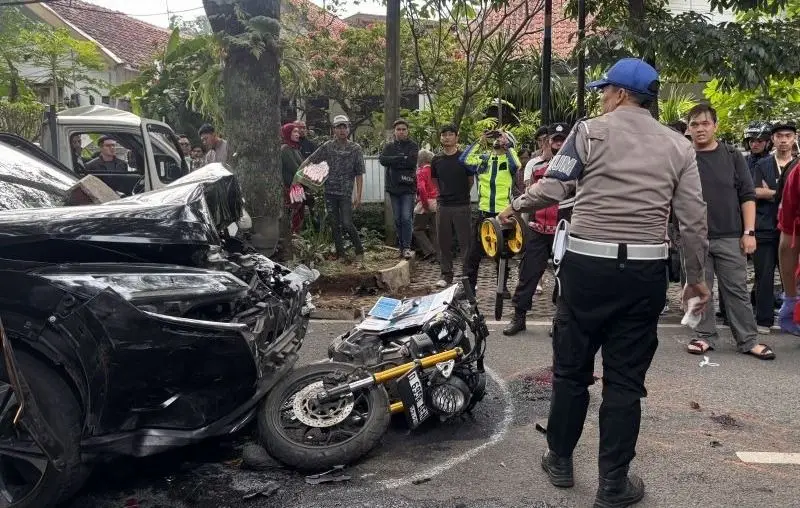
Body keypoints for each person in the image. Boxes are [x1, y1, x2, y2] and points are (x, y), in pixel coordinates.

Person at [498, 58, 710, 507]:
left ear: (618, 93)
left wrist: (515, 205)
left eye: (604, 91)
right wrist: (695, 280)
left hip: (586, 269)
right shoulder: (679, 146)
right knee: (625, 380)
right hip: (644, 273)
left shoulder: (589, 131)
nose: (601, 98)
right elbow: (692, 221)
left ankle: (559, 459)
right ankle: (613, 483)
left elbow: (553, 189)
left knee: (572, 369)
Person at [685, 104, 775, 359]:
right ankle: (704, 337)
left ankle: (748, 340)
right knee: (698, 287)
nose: (700, 129)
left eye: (705, 123)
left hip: (730, 234)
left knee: (736, 289)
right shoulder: (683, 156)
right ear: (689, 129)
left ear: (715, 126)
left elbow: (747, 195)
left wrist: (749, 232)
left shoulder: (732, 155)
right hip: (694, 236)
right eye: (694, 124)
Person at [504, 122, 569, 336]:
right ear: (548, 141)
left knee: (565, 279)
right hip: (538, 228)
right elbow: (531, 194)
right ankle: (519, 317)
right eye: (554, 139)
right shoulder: (535, 165)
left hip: (564, 230)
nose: (558, 143)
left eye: (562, 139)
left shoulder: (577, 166)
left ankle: (559, 320)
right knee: (528, 274)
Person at [461, 129, 520, 295]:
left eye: (502, 137)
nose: (498, 139)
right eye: (497, 137)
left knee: (502, 254)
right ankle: (468, 289)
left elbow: (516, 165)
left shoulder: (509, 161)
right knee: (473, 255)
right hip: (483, 213)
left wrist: (507, 145)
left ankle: (502, 286)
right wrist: (480, 141)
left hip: (503, 215)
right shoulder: (483, 159)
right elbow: (464, 160)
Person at [751, 121, 797, 333]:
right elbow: (755, 191)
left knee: (794, 275)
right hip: (765, 226)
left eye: (788, 136)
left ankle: (794, 317)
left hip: (791, 229)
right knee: (764, 274)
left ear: (794, 138)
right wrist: (781, 193)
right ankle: (764, 319)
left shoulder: (796, 165)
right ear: (773, 140)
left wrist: (772, 192)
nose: (784, 140)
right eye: (780, 136)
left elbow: (769, 192)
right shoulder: (763, 164)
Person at [306, 114, 365, 262]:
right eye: (339, 127)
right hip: (329, 192)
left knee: (347, 223)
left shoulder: (355, 148)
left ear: (348, 129)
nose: (342, 130)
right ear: (334, 130)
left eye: (344, 127)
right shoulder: (328, 146)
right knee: (334, 224)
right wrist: (299, 172)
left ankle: (359, 251)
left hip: (345, 193)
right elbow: (311, 159)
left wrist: (358, 195)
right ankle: (341, 255)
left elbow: (359, 174)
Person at [431, 123, 473, 287]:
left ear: (456, 137)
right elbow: (434, 180)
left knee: (466, 243)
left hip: (462, 205)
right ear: (440, 138)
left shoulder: (464, 158)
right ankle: (446, 274)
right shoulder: (436, 160)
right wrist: (443, 193)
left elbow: (470, 180)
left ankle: (467, 276)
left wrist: (461, 193)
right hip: (444, 206)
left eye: (450, 134)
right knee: (443, 242)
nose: (447, 137)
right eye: (444, 135)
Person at [380, 119, 419, 258]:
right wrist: (401, 158)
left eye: (403, 129)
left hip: (408, 187)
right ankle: (401, 247)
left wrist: (395, 160)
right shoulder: (389, 146)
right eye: (398, 129)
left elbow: (411, 162)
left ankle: (407, 247)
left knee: (406, 217)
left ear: (407, 131)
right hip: (393, 187)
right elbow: (383, 160)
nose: (401, 132)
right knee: (397, 218)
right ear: (394, 131)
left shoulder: (413, 146)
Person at [413, 149, 438, 261]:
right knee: (435, 230)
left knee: (417, 229)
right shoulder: (435, 170)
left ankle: (429, 251)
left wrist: (425, 204)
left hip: (426, 202)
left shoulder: (421, 171)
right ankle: (438, 255)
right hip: (437, 201)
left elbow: (422, 189)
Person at [280, 123, 305, 234]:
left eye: (297, 132)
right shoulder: (285, 149)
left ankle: (297, 239)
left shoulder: (295, 148)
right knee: (294, 215)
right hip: (291, 187)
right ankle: (293, 239)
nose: (297, 134)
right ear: (287, 133)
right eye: (294, 132)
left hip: (298, 186)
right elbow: (296, 169)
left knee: (300, 214)